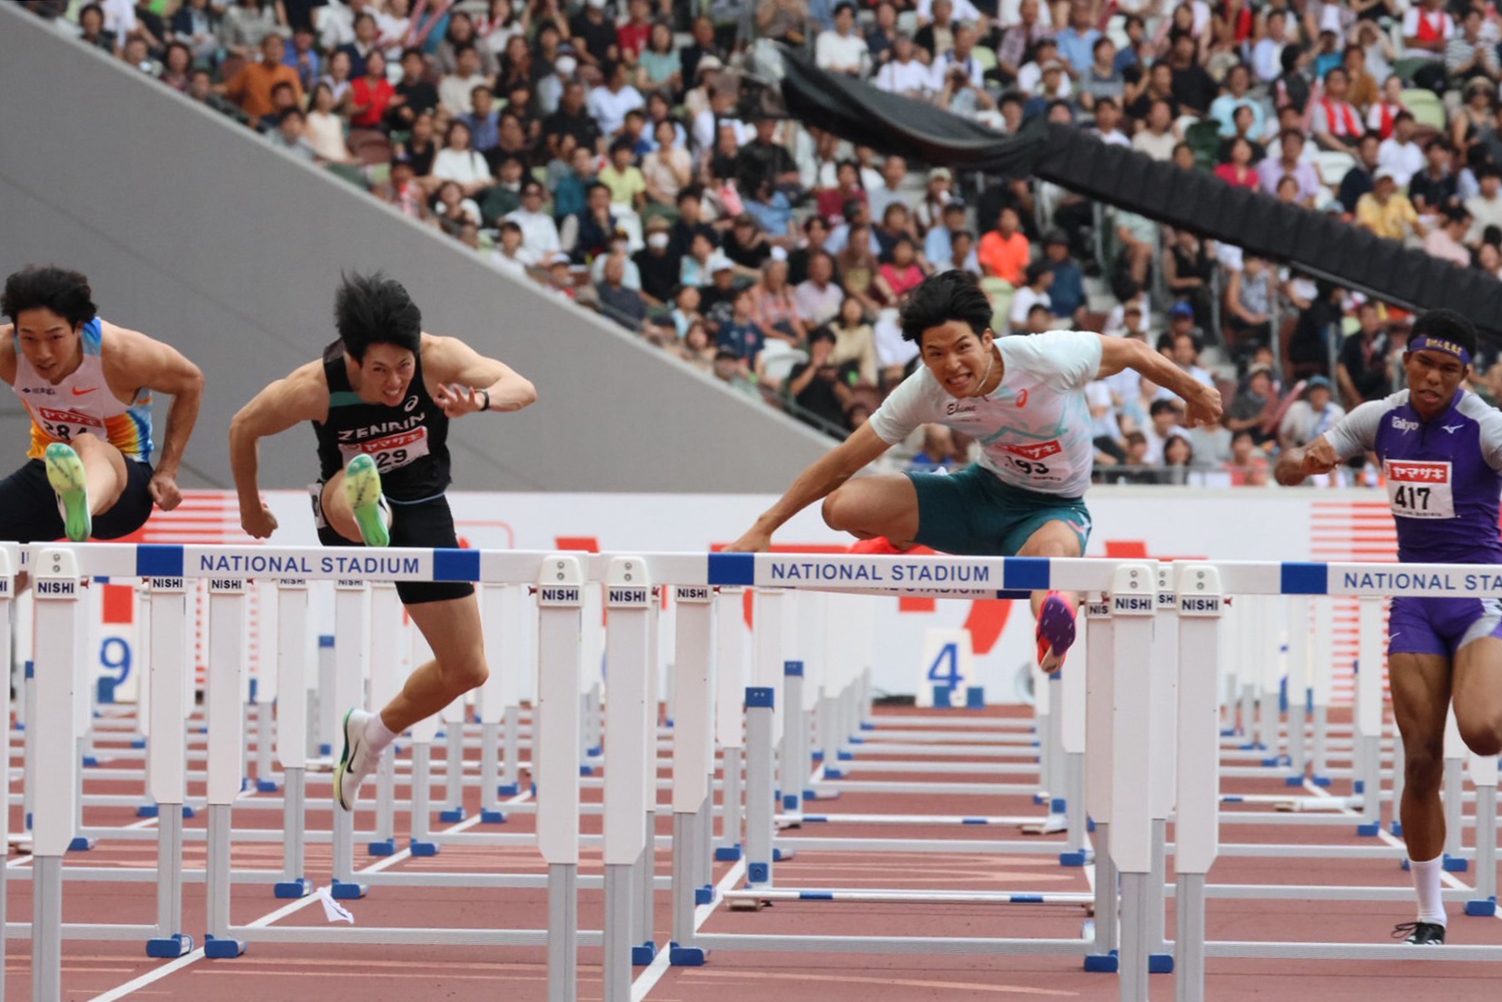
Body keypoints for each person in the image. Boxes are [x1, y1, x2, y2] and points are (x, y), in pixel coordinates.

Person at [726, 271, 1223, 670]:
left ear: (988, 339)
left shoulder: (1047, 357)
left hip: (1050, 511)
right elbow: (841, 462)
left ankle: (1056, 625)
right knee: (842, 507)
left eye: (962, 347)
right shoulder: (924, 390)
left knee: (1052, 570)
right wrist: (764, 527)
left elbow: (1133, 351)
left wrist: (1194, 391)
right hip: (978, 494)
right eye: (935, 354)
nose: (952, 366)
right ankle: (904, 535)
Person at [228, 273, 537, 813]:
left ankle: (370, 736)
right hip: (342, 504)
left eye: (404, 367)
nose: (395, 383)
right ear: (352, 359)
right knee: (354, 491)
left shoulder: (439, 356)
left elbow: (522, 387)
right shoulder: (315, 386)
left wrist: (480, 401)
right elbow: (243, 427)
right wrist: (250, 507)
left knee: (467, 669)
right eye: (378, 371)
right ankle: (373, 513)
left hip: (421, 508)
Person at [1275, 309, 1502, 946]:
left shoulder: (1484, 425)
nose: (1434, 378)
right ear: (1406, 360)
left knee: (1483, 733)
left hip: (1479, 595)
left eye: (1449, 370)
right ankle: (1430, 914)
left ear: (1466, 374)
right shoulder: (1378, 417)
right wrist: (1303, 463)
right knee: (1421, 760)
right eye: (1425, 364)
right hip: (1414, 599)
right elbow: (1295, 461)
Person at [0, 266, 204, 543]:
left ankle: (81, 504)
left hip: (124, 493)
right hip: (48, 474)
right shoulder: (6, 351)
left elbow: (190, 381)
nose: (42, 353)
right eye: (29, 339)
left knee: (87, 444)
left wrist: (167, 470)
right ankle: (23, 573)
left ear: (79, 327)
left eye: (55, 337)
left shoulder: (122, 354)